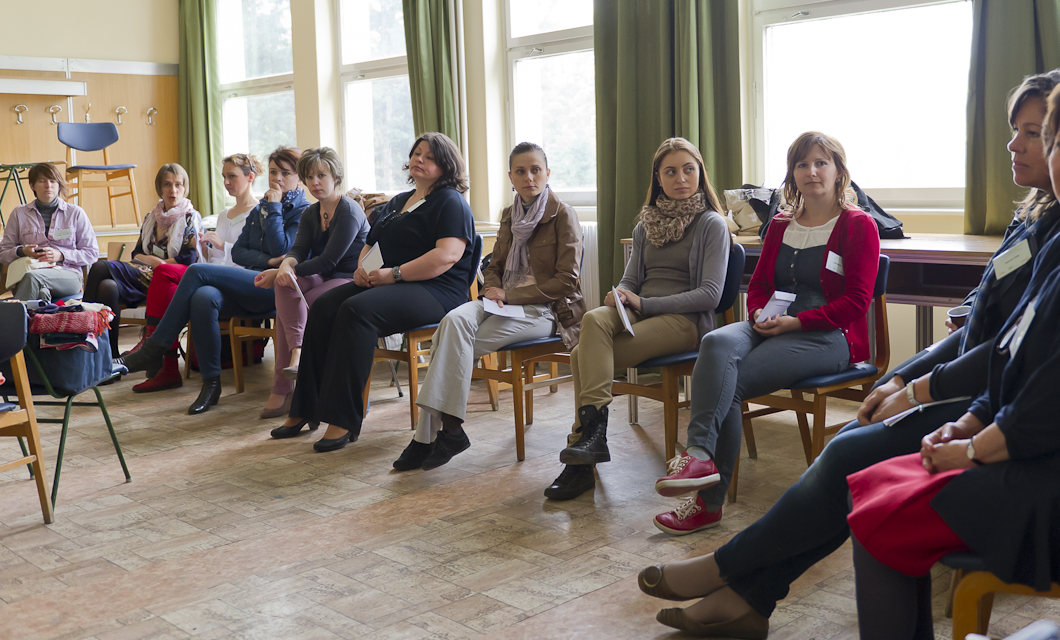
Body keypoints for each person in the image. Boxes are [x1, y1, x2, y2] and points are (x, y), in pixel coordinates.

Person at [633, 67, 1060, 640]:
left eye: (1031, 133)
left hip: (974, 394)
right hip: (956, 377)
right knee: (731, 355)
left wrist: (914, 388)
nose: (1013, 144)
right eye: (1015, 130)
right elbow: (980, 321)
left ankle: (730, 571)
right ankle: (742, 584)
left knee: (844, 451)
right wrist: (901, 379)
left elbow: (1002, 346)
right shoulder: (1035, 218)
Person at [845, 71, 1060, 640]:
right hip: (1059, 453)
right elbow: (1013, 352)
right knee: (873, 485)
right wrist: (967, 422)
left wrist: (976, 451)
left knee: (885, 518)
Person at [652, 132, 880, 535]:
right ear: (792, 173)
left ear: (839, 171)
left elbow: (857, 302)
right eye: (802, 164)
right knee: (715, 342)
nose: (811, 171)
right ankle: (699, 455)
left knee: (730, 381)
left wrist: (797, 322)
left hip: (830, 335)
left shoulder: (858, 225)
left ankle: (708, 504)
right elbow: (757, 285)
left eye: (821, 163)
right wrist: (758, 312)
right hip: (774, 322)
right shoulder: (779, 224)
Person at [544, 137, 730, 501]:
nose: (681, 178)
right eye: (671, 172)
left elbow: (710, 295)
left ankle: (582, 457)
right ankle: (592, 440)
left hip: (684, 321)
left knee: (581, 355)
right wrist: (620, 294)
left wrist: (644, 304)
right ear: (658, 178)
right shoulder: (646, 225)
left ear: (700, 173)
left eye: (688, 169)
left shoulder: (712, 224)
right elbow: (631, 279)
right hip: (640, 311)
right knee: (594, 320)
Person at [270, 132, 478, 452]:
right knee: (324, 306)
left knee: (357, 311)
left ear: (446, 165)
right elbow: (371, 243)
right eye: (417, 153)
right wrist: (362, 269)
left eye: (430, 157)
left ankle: (343, 419)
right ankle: (304, 408)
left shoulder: (451, 201)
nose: (419, 159)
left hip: (436, 290)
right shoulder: (399, 201)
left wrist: (394, 274)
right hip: (391, 281)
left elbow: (446, 256)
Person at [391, 142, 584, 471]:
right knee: (452, 322)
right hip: (501, 301)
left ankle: (429, 438)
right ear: (511, 177)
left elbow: (567, 281)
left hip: (546, 311)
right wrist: (493, 289)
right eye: (520, 171)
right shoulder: (509, 215)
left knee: (446, 344)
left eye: (535, 170)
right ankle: (450, 431)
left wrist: (510, 296)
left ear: (547, 173)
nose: (529, 177)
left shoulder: (563, 214)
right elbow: (494, 264)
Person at [118, 147, 309, 415]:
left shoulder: (302, 211)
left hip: (276, 288)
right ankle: (211, 384)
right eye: (274, 171)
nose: (277, 178)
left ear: (300, 178)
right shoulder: (262, 208)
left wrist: (275, 209)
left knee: (197, 271)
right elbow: (240, 252)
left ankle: (155, 347)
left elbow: (282, 249)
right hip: (250, 281)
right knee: (203, 297)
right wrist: (267, 259)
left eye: (285, 173)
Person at [253, 148, 368, 420]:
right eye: (309, 177)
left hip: (350, 277)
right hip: (324, 275)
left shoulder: (348, 211)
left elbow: (329, 261)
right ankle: (297, 354)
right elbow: (298, 250)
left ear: (336, 177)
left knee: (310, 301)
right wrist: (284, 268)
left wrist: (281, 271)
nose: (315, 182)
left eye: (321, 176)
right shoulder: (311, 212)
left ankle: (286, 387)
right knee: (285, 285)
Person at [131, 153, 261, 393]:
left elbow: (258, 257)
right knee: (186, 286)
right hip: (219, 278)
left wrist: (223, 246)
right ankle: (178, 370)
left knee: (179, 272)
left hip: (244, 280)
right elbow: (216, 261)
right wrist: (206, 249)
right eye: (224, 177)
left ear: (250, 177)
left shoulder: (260, 212)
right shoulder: (224, 215)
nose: (226, 182)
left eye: (232, 176)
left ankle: (153, 349)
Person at [83, 163, 203, 354]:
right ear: (159, 188)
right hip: (144, 273)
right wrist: (154, 262)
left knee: (99, 267)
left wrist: (161, 264)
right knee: (108, 287)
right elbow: (136, 253)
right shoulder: (151, 217)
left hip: (170, 279)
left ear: (184, 188)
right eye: (167, 184)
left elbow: (188, 259)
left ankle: (82, 332)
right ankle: (111, 355)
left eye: (178, 185)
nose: (173, 190)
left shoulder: (191, 217)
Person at [0, 162, 98, 301]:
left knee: (34, 278)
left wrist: (61, 255)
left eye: (53, 181)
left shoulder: (75, 213)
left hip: (67, 274)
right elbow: (3, 254)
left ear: (59, 185)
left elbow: (91, 253)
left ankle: (15, 314)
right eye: (42, 181)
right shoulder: (18, 213)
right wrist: (23, 251)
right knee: (41, 293)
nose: (48, 185)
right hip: (29, 270)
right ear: (32, 186)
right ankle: (39, 311)